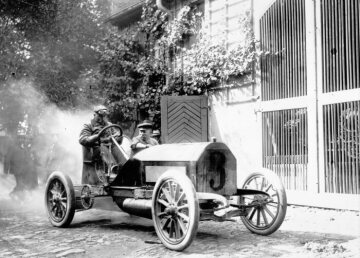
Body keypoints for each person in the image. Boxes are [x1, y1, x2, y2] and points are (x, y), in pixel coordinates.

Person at [79, 105, 122, 184]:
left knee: (120, 149)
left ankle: (122, 169)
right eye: (100, 116)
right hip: (94, 153)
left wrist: (118, 137)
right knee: (102, 148)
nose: (102, 119)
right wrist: (97, 136)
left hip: (110, 150)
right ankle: (110, 171)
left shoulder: (109, 125)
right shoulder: (88, 126)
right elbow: (82, 139)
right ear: (94, 115)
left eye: (104, 116)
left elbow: (117, 135)